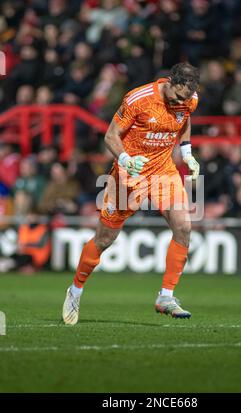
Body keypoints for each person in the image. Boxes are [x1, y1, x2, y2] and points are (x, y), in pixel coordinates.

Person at [62, 62, 200, 325]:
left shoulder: (188, 99)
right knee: (104, 240)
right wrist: (125, 159)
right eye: (178, 96)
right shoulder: (138, 99)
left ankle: (166, 296)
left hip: (162, 171)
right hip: (129, 175)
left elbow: (184, 121)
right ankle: (76, 289)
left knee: (184, 227)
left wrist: (187, 153)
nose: (180, 102)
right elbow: (110, 135)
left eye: (186, 98)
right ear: (170, 81)